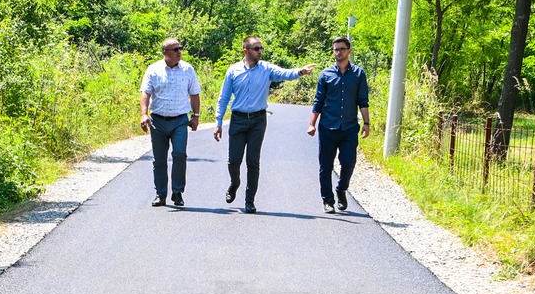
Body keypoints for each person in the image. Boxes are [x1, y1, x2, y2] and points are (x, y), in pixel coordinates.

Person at [213, 37, 312, 214]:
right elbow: (224, 98)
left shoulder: (266, 69)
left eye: (261, 48)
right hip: (238, 119)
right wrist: (218, 122)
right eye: (256, 48)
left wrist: (300, 72)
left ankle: (249, 200)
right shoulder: (233, 71)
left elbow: (284, 73)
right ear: (246, 51)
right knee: (234, 160)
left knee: (253, 161)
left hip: (258, 120)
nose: (260, 51)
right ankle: (235, 183)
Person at [307, 35, 370, 213]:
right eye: (336, 49)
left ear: (349, 51)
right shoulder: (325, 75)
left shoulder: (358, 74)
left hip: (349, 127)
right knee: (325, 165)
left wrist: (367, 123)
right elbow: (318, 101)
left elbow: (363, 101)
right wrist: (312, 124)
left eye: (342, 49)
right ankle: (328, 200)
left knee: (348, 162)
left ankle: (341, 189)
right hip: (327, 126)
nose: (339, 52)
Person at [139, 37, 201, 208]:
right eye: (175, 49)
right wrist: (144, 114)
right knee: (159, 159)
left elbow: (194, 94)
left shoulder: (188, 69)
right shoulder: (153, 70)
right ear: (165, 52)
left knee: (179, 155)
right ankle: (160, 194)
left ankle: (177, 192)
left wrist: (195, 116)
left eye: (180, 48)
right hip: (158, 121)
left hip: (180, 120)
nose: (179, 52)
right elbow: (145, 93)